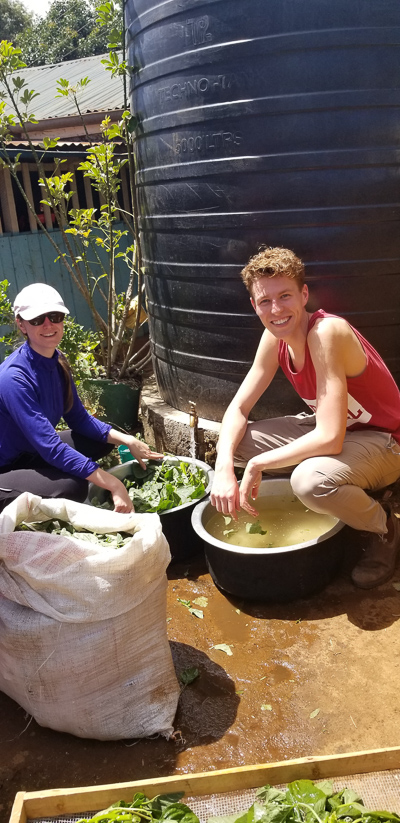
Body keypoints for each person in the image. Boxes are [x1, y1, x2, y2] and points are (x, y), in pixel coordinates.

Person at [210, 247, 400, 589]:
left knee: (309, 481)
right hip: (337, 429)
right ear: (254, 305)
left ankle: (384, 526)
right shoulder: (273, 339)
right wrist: (223, 467)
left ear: (304, 294)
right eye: (265, 301)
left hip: (386, 440)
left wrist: (258, 466)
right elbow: (238, 408)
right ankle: (342, 496)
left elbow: (330, 438)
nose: (276, 309)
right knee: (239, 445)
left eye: (285, 296)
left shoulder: (327, 333)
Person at [0, 282, 163, 514]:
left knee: (102, 440)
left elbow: (79, 418)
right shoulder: (14, 378)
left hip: (31, 451)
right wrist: (112, 483)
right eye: (37, 319)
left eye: (54, 316)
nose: (48, 324)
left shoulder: (57, 361)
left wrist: (128, 440)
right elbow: (51, 447)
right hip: (5, 466)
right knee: (72, 488)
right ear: (21, 324)